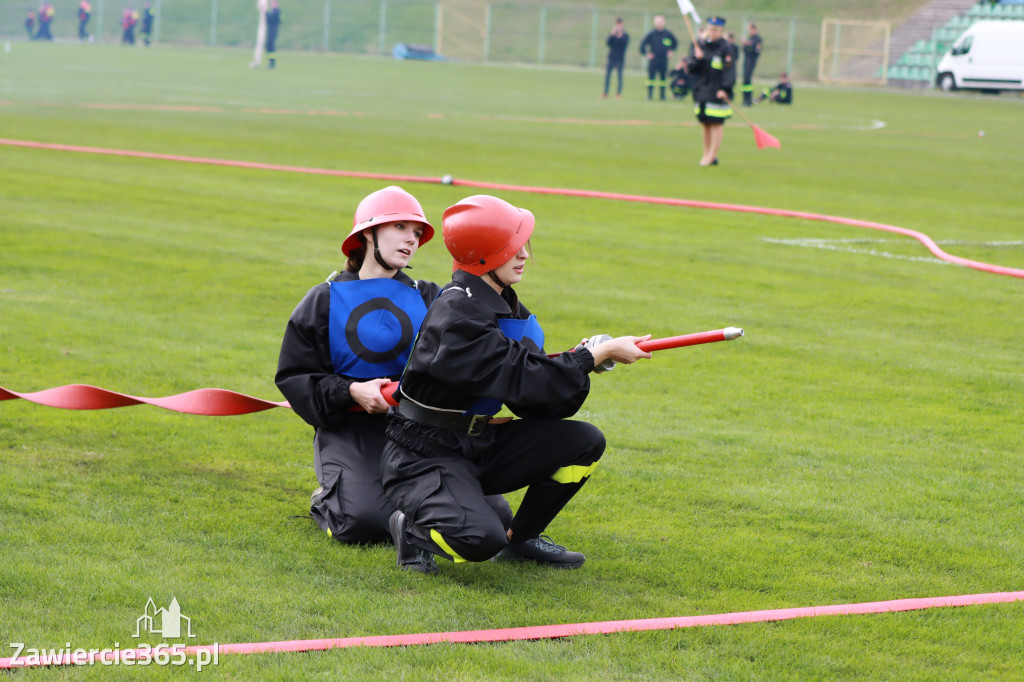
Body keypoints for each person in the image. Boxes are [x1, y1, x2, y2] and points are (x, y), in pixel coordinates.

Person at [381, 195, 652, 574]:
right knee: (479, 540)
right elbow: (520, 372)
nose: (524, 254)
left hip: (477, 442)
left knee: (583, 441)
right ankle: (410, 529)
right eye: (511, 247)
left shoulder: (503, 303)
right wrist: (592, 357)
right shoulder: (457, 315)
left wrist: (586, 357)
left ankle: (521, 538)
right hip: (425, 454)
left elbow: (534, 392)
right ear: (483, 256)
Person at [275, 187, 513, 546]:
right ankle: (327, 498)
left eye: (417, 233)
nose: (411, 239)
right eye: (399, 227)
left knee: (499, 517)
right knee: (361, 524)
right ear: (367, 234)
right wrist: (350, 391)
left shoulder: (432, 295)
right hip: (350, 427)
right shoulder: (323, 299)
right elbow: (294, 376)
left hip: (419, 430)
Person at [687, 15, 735, 166]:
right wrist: (697, 58)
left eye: (716, 30)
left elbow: (730, 71)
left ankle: (712, 155)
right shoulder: (699, 45)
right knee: (705, 123)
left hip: (717, 91)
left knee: (716, 123)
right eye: (710, 29)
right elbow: (691, 68)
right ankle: (706, 153)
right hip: (702, 91)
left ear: (721, 31)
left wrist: (725, 88)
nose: (712, 32)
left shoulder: (725, 48)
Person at [638, 15, 678, 101]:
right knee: (651, 78)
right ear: (655, 23)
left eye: (661, 22)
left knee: (663, 78)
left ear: (664, 22)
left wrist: (671, 51)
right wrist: (646, 54)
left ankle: (662, 96)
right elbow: (642, 44)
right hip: (654, 59)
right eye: (658, 22)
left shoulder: (667, 33)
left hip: (663, 59)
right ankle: (649, 95)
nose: (659, 24)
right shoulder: (651, 34)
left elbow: (675, 42)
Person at [602, 18, 629, 99]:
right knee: (607, 76)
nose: (618, 27)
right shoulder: (612, 34)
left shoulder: (625, 35)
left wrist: (620, 36)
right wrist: (612, 35)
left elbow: (624, 44)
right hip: (611, 58)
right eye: (617, 25)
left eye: (620, 25)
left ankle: (618, 93)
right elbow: (608, 43)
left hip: (620, 59)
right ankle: (605, 93)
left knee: (619, 77)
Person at [741, 23, 763, 106]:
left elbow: (756, 51)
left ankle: (748, 99)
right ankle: (745, 99)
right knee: (745, 80)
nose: (749, 32)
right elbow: (745, 50)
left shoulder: (757, 39)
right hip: (746, 60)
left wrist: (747, 44)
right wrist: (744, 45)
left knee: (747, 79)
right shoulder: (750, 38)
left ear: (754, 29)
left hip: (751, 60)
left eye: (750, 30)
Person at [265, 0, 282, 69]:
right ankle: (270, 61)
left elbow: (272, 18)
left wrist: (266, 12)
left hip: (273, 31)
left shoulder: (277, 11)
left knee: (271, 46)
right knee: (268, 46)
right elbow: (268, 20)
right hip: (270, 30)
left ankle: (272, 62)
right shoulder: (273, 11)